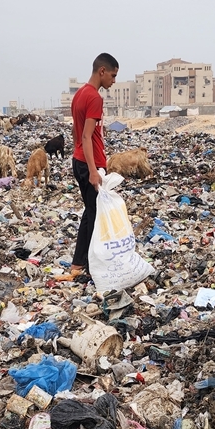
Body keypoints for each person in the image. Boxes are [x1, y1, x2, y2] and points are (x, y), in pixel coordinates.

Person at [69, 52, 119, 280]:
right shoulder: (94, 98)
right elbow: (87, 136)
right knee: (95, 217)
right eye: (113, 75)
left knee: (90, 214)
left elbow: (76, 131)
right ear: (102, 71)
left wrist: (77, 153)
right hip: (92, 163)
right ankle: (92, 267)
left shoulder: (79, 94)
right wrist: (92, 171)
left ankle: (78, 263)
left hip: (79, 160)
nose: (113, 81)